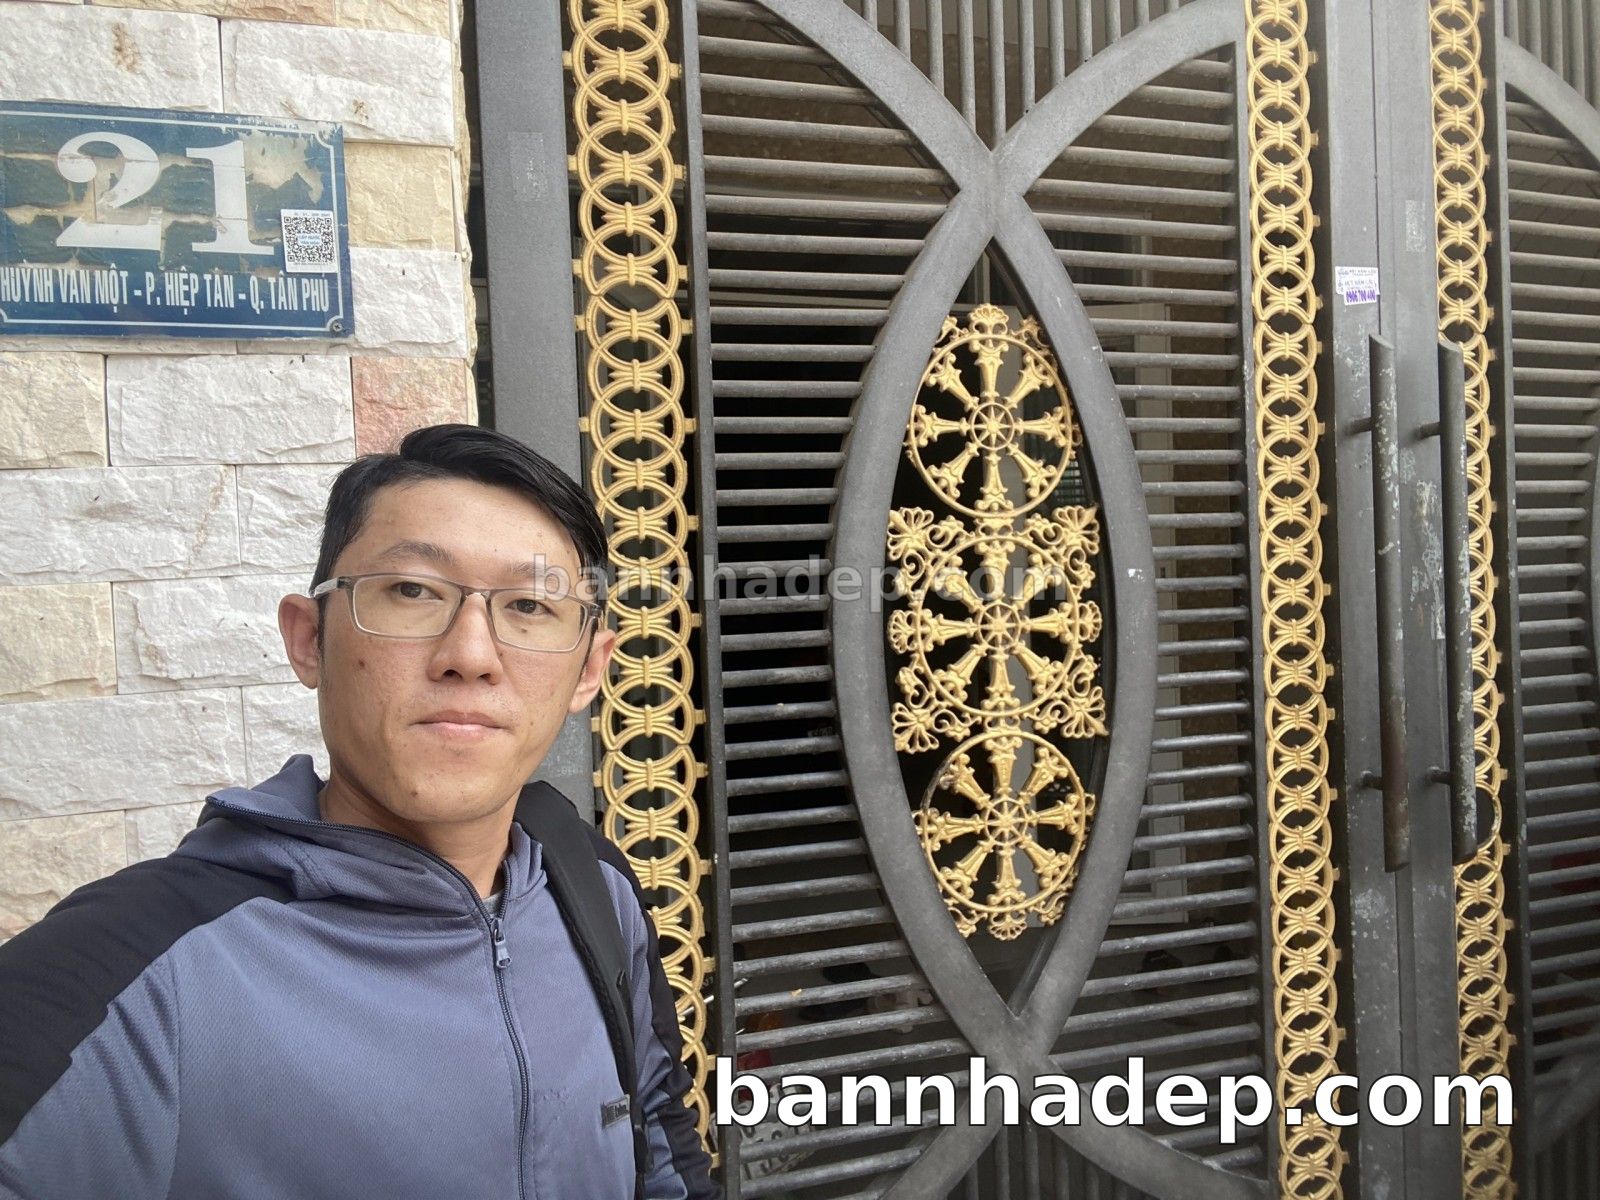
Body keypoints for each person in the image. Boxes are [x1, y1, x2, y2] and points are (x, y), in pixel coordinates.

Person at [0, 424, 719, 1200]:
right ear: (309, 639)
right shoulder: (127, 974)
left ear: (589, 670)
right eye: (412, 591)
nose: (471, 655)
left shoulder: (591, 884)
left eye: (530, 605)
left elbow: (662, 1143)